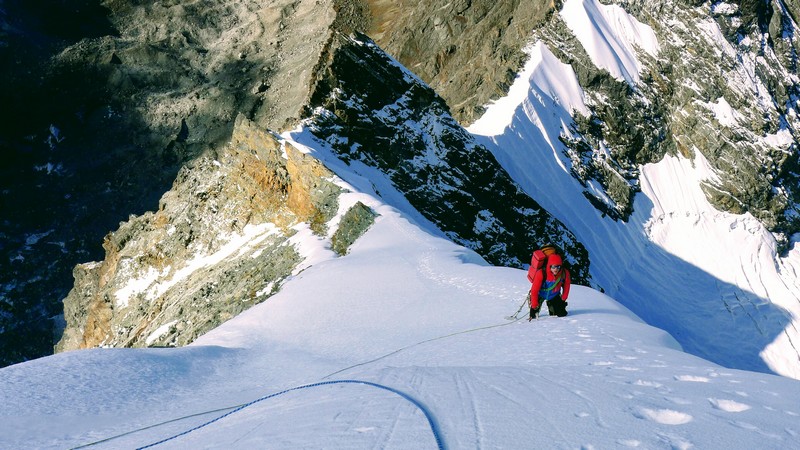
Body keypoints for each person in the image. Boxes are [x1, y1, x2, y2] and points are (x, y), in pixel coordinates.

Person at [528, 253, 571, 320]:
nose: (556, 269)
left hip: (554, 295)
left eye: (558, 267)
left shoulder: (564, 273)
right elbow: (534, 290)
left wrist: (563, 298)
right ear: (549, 266)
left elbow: (567, 285)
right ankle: (536, 312)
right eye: (553, 267)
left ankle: (552, 306)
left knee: (561, 314)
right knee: (532, 316)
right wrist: (534, 303)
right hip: (540, 294)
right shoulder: (541, 273)